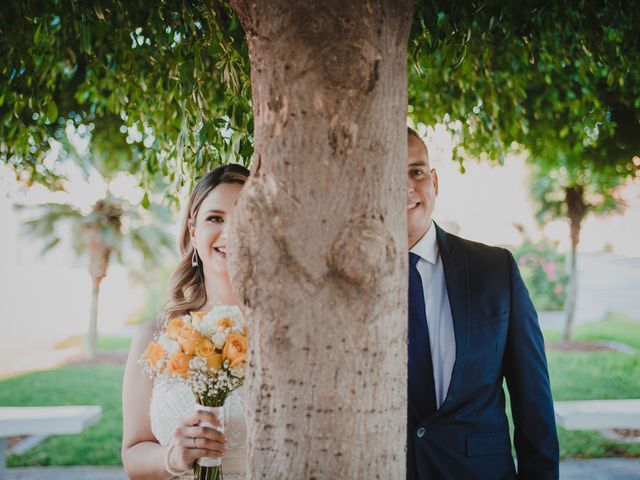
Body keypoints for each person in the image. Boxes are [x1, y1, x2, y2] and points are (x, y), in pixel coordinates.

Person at [405, 127, 559, 479]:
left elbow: (533, 402)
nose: (406, 187)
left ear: (435, 182)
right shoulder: (348, 284)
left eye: (416, 172)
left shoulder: (495, 269)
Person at [122, 164, 250, 480]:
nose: (230, 232)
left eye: (246, 219)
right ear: (194, 230)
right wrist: (175, 456)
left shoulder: (286, 336)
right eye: (215, 218)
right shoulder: (154, 336)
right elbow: (133, 457)